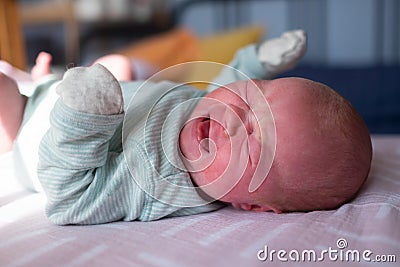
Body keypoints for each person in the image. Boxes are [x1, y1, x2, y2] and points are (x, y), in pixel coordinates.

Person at [1, 30, 372, 225]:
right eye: (254, 95)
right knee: (117, 65)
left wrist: (84, 120)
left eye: (256, 144)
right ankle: (39, 79)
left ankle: (30, 83)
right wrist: (253, 61)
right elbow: (221, 86)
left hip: (27, 128)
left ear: (253, 205)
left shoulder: (161, 185)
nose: (234, 117)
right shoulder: (204, 113)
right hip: (65, 93)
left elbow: (69, 200)